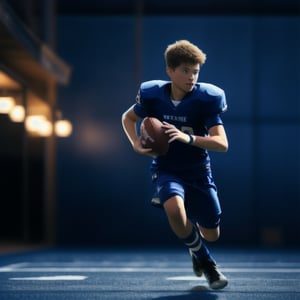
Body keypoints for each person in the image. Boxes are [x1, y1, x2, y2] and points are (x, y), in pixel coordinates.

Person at [121, 39, 229, 289]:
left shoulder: (206, 98)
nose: (191, 77)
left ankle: (196, 248)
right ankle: (208, 264)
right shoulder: (152, 94)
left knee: (211, 234)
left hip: (198, 172)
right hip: (166, 168)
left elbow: (222, 143)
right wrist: (135, 142)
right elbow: (127, 118)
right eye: (185, 70)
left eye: (195, 72)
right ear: (169, 71)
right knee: (174, 210)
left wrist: (186, 137)